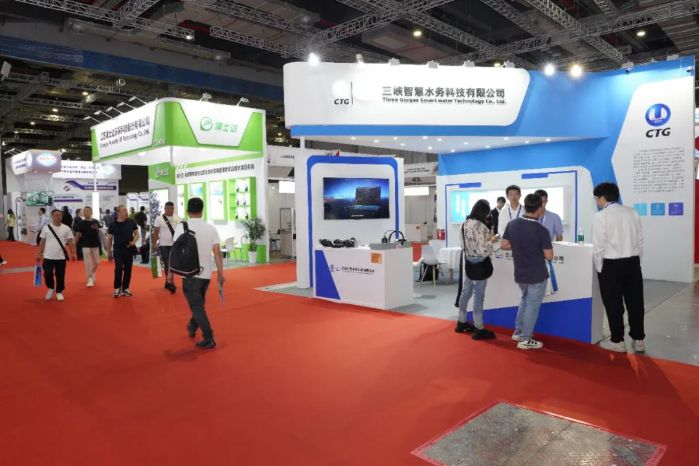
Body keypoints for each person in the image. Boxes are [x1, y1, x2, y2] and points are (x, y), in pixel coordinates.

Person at [592, 182, 645, 353]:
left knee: (613, 304)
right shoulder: (632, 212)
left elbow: (598, 247)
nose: (597, 202)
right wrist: (636, 261)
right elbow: (640, 241)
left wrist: (599, 268)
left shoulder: (600, 217)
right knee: (636, 302)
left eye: (596, 198)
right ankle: (638, 339)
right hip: (632, 263)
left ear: (602, 198)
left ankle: (618, 341)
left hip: (611, 265)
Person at [501, 193, 553, 350]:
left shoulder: (512, 224)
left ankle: (518, 331)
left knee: (525, 300)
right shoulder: (541, 230)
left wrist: (519, 245)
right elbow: (549, 256)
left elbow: (504, 245)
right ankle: (525, 338)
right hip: (536, 274)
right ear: (539, 208)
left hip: (520, 273)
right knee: (532, 306)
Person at [172, 197, 224, 349]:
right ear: (202, 210)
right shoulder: (211, 228)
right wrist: (220, 273)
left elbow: (176, 248)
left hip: (189, 273)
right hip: (206, 274)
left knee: (197, 307)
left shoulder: (181, 227)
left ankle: (209, 337)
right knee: (199, 304)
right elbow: (217, 252)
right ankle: (192, 326)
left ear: (188, 211)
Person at [455, 200, 498, 340]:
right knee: (478, 296)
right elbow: (483, 250)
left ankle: (461, 322)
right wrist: (492, 241)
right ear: (484, 212)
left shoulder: (465, 224)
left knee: (465, 292)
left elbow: (462, 245)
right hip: (480, 263)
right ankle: (479, 328)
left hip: (468, 261)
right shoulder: (481, 226)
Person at [36, 209, 77, 301]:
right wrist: (39, 253)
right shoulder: (46, 228)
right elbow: (42, 241)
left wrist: (73, 253)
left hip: (61, 257)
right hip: (48, 256)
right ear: (52, 216)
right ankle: (50, 288)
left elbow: (71, 241)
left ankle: (59, 291)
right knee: (48, 274)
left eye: (60, 215)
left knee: (60, 275)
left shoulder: (66, 228)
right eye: (56, 215)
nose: (59, 217)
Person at [106, 206, 140, 298]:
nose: (126, 212)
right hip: (118, 250)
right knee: (118, 268)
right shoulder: (112, 225)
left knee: (128, 270)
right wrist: (109, 253)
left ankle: (125, 288)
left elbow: (137, 234)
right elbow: (109, 240)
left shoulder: (131, 222)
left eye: (126, 210)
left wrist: (133, 242)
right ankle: (117, 288)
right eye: (124, 210)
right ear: (118, 213)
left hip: (129, 249)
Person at [152, 201, 181, 294]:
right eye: (168, 208)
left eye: (172, 208)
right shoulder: (159, 218)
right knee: (168, 263)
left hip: (175, 245)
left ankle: (167, 282)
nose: (170, 210)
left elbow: (181, 231)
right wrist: (154, 244)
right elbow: (155, 232)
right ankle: (171, 282)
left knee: (172, 264)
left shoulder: (178, 218)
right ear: (165, 209)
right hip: (163, 245)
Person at [74, 206, 102, 288]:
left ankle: (92, 272)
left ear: (91, 212)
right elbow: (77, 235)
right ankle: (90, 278)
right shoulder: (81, 223)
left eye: (88, 211)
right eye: (85, 211)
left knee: (97, 262)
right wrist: (74, 245)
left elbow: (100, 233)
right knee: (88, 262)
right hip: (85, 244)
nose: (86, 213)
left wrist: (97, 229)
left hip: (95, 244)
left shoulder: (96, 221)